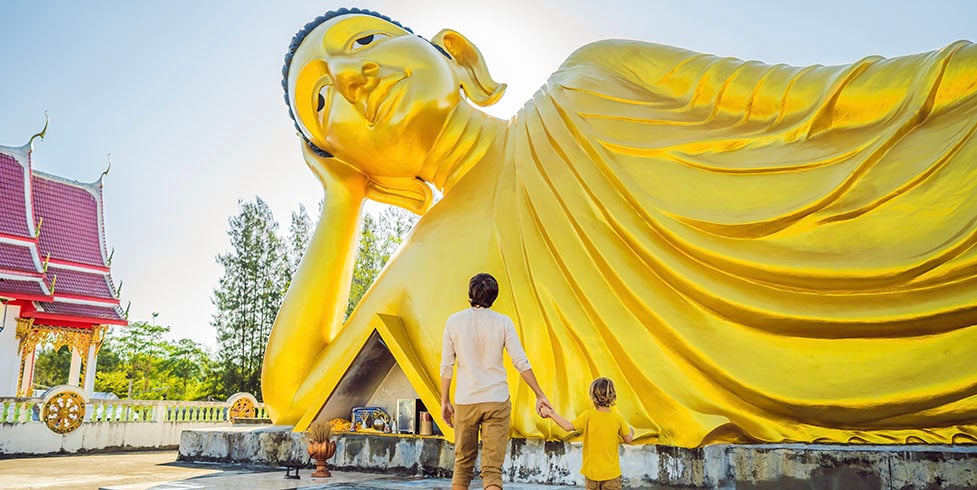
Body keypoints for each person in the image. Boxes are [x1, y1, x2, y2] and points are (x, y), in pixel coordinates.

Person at [262, 7, 977, 446]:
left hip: (868, 265)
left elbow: (812, 103)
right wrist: (342, 202)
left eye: (363, 41)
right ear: (350, 160)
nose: (351, 77)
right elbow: (294, 397)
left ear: (457, 53)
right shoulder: (415, 266)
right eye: (323, 101)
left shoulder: (595, 78)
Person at [440, 272, 551, 489]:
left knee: (462, 465)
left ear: (470, 293)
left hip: (466, 401)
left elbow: (446, 366)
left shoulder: (454, 322)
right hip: (496, 400)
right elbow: (520, 361)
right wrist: (539, 394)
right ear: (494, 296)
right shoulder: (503, 322)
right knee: (492, 470)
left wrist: (444, 400)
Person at [542, 377, 634, 490]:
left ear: (593, 397)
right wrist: (631, 432)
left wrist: (551, 414)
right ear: (613, 396)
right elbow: (628, 439)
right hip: (611, 475)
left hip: (591, 474)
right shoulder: (617, 419)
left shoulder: (588, 416)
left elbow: (567, 427)